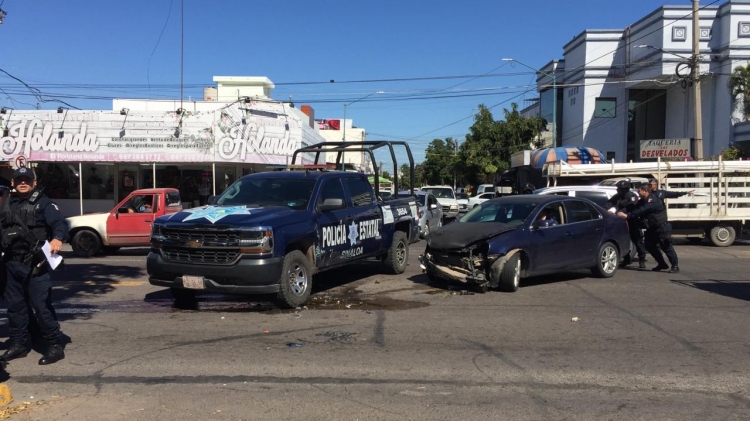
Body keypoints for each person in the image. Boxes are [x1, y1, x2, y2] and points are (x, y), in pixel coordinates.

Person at [1, 167, 69, 365]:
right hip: (11, 264)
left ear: (34, 182)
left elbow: (60, 223)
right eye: (19, 180)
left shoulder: (44, 203)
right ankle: (18, 344)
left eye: (27, 180)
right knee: (15, 308)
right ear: (13, 183)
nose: (23, 182)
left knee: (42, 307)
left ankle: (54, 345)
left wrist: (57, 238)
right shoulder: (7, 204)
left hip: (34, 263)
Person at [617, 184, 679, 273]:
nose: (638, 193)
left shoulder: (652, 200)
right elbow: (634, 208)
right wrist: (620, 211)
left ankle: (675, 266)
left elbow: (641, 210)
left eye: (639, 191)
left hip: (662, 227)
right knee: (649, 245)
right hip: (652, 227)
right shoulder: (642, 201)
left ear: (645, 191)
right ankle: (662, 264)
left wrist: (627, 215)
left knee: (666, 246)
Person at [606, 180, 647, 269]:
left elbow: (631, 207)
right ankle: (627, 259)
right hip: (621, 222)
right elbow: (608, 203)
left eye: (620, 188)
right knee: (623, 241)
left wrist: (618, 211)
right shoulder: (617, 196)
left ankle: (642, 260)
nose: (618, 190)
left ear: (625, 189)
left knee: (637, 241)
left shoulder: (632, 196)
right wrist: (608, 209)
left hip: (632, 221)